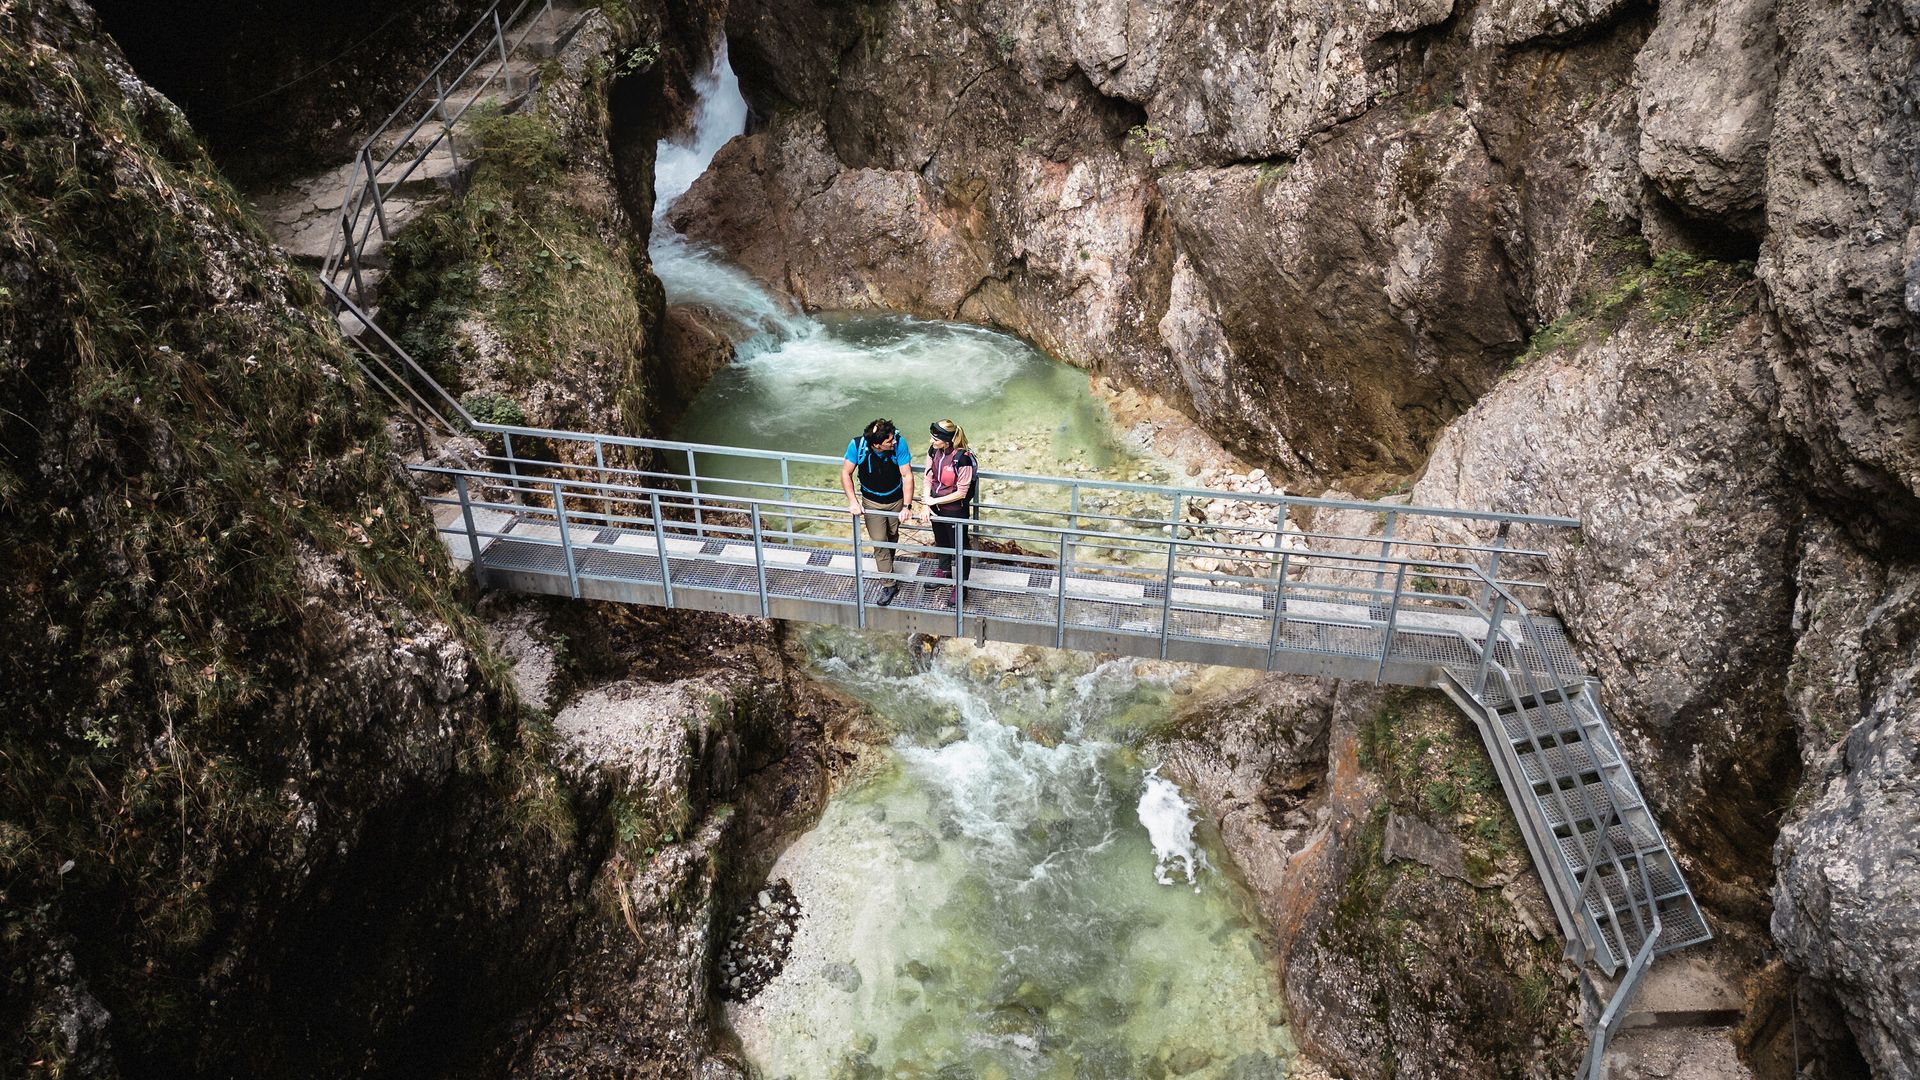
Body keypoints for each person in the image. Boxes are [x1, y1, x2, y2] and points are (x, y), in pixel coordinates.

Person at [840, 418, 914, 606]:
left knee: (891, 536)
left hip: (895, 500)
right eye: (889, 441)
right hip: (872, 503)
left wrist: (907, 506)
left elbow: (907, 475)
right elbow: (845, 473)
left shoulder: (899, 443)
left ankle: (886, 567)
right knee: (880, 542)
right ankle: (889, 584)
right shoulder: (857, 446)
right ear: (877, 445)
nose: (894, 442)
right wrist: (853, 502)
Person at [922, 418, 977, 608]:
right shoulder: (933, 451)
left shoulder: (963, 459)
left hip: (955, 511)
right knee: (942, 542)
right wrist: (925, 504)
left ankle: (961, 586)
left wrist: (934, 501)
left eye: (935, 438)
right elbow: (928, 477)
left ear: (947, 440)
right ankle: (944, 572)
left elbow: (961, 492)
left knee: (960, 549)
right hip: (936, 508)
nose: (931, 441)